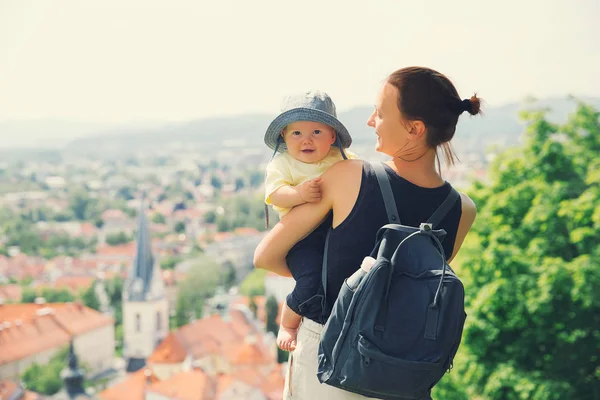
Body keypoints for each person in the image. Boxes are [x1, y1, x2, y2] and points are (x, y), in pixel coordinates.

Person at [254, 66, 479, 399]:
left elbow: (265, 256)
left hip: (329, 359)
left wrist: (321, 274)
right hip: (403, 369)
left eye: (380, 113)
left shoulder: (349, 176)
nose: (370, 121)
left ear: (414, 128)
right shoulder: (461, 209)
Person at [262, 90, 357, 352]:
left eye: (316, 132)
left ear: (332, 136)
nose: (306, 140)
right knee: (310, 279)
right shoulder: (284, 163)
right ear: (284, 135)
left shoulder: (341, 158)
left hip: (336, 233)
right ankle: (288, 322)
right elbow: (274, 194)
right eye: (297, 133)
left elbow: (364, 175)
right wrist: (299, 193)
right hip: (300, 239)